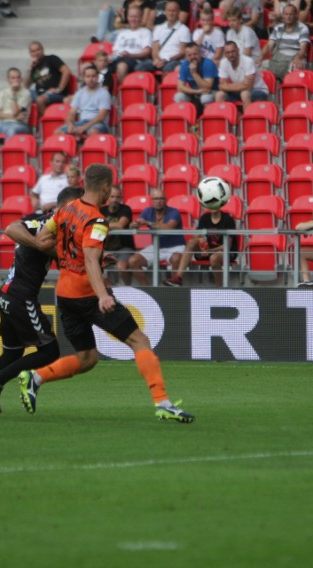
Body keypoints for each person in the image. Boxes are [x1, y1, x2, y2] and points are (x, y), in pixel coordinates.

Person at [18, 164, 195, 423]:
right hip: (88, 294)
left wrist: (78, 257)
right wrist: (102, 294)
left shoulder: (65, 209)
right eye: (110, 187)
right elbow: (90, 260)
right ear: (104, 187)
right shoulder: (97, 220)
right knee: (140, 341)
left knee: (87, 358)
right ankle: (163, 402)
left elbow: (44, 239)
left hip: (65, 295)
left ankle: (35, 377)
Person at [0, 186, 85, 419]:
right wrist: (39, 245)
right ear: (69, 206)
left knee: (11, 354)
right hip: (20, 297)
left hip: (6, 295)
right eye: (79, 207)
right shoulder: (49, 225)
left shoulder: (50, 225)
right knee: (49, 351)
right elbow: (10, 227)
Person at [163, 206, 238, 288]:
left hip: (226, 252)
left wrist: (210, 250)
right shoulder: (204, 218)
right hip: (207, 251)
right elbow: (195, 236)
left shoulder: (228, 219)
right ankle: (178, 277)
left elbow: (227, 245)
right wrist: (200, 240)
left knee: (214, 258)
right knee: (191, 242)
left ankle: (219, 287)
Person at [126, 188, 186, 286]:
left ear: (166, 200)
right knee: (133, 261)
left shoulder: (174, 212)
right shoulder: (148, 211)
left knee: (176, 258)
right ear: (152, 201)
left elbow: (169, 228)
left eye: (162, 198)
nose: (159, 201)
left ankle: (175, 288)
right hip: (157, 246)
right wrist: (135, 224)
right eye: (156, 199)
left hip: (175, 246)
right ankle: (147, 290)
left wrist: (148, 223)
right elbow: (134, 224)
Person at [261, 3, 310, 80]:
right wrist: (261, 57)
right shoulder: (278, 27)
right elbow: (269, 45)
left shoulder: (303, 28)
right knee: (258, 67)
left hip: (295, 57)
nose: (288, 17)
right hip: (278, 59)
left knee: (296, 66)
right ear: (283, 15)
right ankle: (265, 91)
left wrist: (297, 58)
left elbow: (303, 48)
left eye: (291, 14)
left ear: (296, 15)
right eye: (286, 14)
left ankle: (290, 91)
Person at [59, 65, 111, 136]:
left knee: (93, 131)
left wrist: (84, 127)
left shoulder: (104, 93)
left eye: (93, 76)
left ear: (98, 77)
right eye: (88, 76)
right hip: (82, 122)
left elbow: (101, 117)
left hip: (98, 124)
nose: (91, 79)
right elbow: (71, 112)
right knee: (59, 132)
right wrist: (70, 124)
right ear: (83, 78)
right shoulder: (80, 93)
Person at [99, 186, 135, 286]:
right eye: (112, 197)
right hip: (105, 248)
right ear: (107, 197)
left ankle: (128, 288)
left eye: (117, 197)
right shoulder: (101, 210)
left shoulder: (125, 209)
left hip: (124, 247)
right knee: (94, 266)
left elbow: (121, 225)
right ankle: (111, 288)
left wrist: (104, 226)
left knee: (122, 266)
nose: (115, 200)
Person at [215, 40, 270, 104]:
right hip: (239, 91)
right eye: (228, 52)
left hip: (258, 90)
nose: (231, 55)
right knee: (219, 95)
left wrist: (228, 86)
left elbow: (249, 86)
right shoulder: (223, 62)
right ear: (225, 54)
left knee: (244, 94)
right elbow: (221, 85)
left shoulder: (248, 61)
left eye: (233, 51)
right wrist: (242, 84)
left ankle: (248, 114)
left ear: (238, 51)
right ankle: (222, 114)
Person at [25, 41, 72, 116]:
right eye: (33, 51)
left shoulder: (51, 59)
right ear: (30, 54)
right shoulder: (34, 67)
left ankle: (49, 121)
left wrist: (59, 89)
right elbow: (25, 85)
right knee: (23, 92)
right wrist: (30, 68)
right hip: (40, 93)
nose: (36, 53)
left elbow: (66, 71)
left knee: (40, 100)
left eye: (38, 50)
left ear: (42, 49)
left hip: (56, 94)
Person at [109, 5, 153, 83]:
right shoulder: (122, 34)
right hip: (119, 59)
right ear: (128, 18)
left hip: (136, 60)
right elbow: (115, 52)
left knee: (121, 66)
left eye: (136, 16)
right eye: (131, 16)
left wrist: (130, 55)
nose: (133, 19)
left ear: (141, 18)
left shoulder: (145, 32)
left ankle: (124, 92)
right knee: (91, 66)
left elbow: (147, 52)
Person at [149, 0, 191, 73]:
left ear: (178, 13)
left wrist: (167, 60)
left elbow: (182, 52)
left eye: (174, 11)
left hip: (175, 60)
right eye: (169, 11)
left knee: (167, 68)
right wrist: (156, 60)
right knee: (141, 67)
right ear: (165, 12)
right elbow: (155, 49)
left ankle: (164, 84)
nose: (171, 13)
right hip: (160, 60)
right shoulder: (158, 28)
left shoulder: (184, 30)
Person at [174, 41, 219, 109]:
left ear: (200, 53)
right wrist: (196, 91)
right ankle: (187, 118)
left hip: (211, 91)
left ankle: (207, 117)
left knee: (205, 98)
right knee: (179, 96)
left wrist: (194, 73)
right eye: (189, 55)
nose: (193, 57)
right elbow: (180, 87)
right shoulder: (184, 64)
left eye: (195, 54)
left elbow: (207, 87)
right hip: (196, 92)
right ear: (186, 57)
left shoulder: (208, 63)